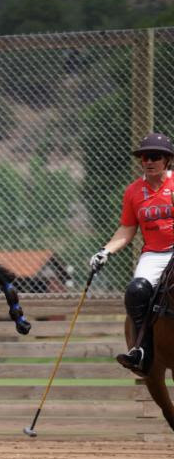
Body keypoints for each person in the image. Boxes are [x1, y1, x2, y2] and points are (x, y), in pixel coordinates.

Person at [90, 132, 174, 376]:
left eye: (154, 156)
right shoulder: (133, 192)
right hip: (154, 254)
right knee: (136, 291)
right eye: (144, 157)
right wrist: (105, 251)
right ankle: (141, 351)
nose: (148, 161)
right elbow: (127, 228)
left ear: (167, 160)